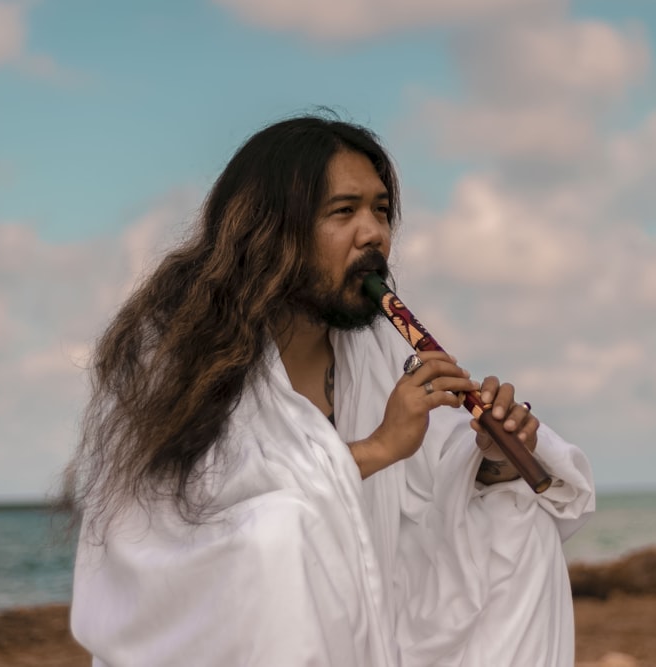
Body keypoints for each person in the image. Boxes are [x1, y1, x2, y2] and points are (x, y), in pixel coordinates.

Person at [65, 114, 595, 666]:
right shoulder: (174, 346)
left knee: (519, 524)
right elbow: (187, 522)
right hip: (217, 633)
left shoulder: (378, 346)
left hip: (364, 621)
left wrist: (490, 459)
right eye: (344, 212)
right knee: (279, 535)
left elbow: (432, 476)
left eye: (382, 211)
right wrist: (379, 448)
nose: (373, 234)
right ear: (272, 229)